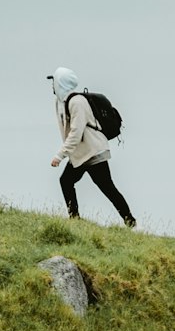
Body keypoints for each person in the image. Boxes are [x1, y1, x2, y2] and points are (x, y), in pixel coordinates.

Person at [48, 67, 135, 226]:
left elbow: (76, 132)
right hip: (80, 153)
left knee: (107, 188)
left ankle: (131, 222)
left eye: (54, 81)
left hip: (94, 152)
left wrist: (59, 155)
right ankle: (75, 220)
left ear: (61, 83)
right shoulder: (61, 102)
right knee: (66, 181)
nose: (52, 85)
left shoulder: (77, 102)